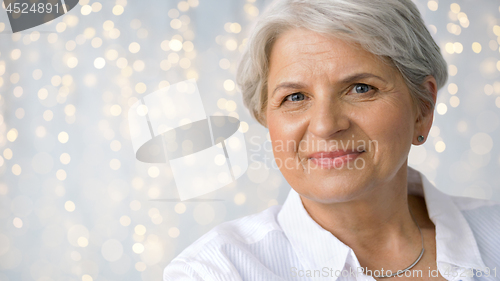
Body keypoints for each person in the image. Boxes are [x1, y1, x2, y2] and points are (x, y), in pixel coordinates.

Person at [163, 0, 500, 280]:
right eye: (295, 97)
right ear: (267, 119)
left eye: (361, 88)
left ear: (422, 109)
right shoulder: (215, 271)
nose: (326, 125)